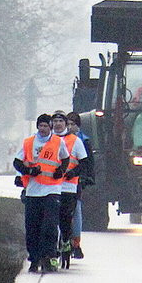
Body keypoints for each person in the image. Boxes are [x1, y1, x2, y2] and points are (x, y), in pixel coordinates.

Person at [13, 114, 70, 273]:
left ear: (50, 127)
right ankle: (34, 258)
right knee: (32, 227)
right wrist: (28, 171)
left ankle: (49, 256)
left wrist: (61, 171)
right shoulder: (29, 142)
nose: (43, 129)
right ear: (37, 127)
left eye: (46, 126)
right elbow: (17, 162)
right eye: (41, 126)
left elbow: (65, 159)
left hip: (52, 189)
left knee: (50, 226)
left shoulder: (58, 142)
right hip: (33, 190)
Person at [52, 110, 89, 265]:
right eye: (55, 121)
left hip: (69, 187)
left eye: (61, 121)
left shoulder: (77, 141)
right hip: (50, 188)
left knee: (67, 219)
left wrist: (74, 173)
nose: (58, 124)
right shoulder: (46, 140)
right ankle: (52, 251)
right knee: (50, 221)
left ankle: (69, 242)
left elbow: (85, 163)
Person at [67, 111, 93, 259]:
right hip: (59, 183)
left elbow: (88, 163)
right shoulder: (58, 140)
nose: (70, 127)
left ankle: (76, 243)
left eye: (73, 124)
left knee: (76, 211)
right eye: (68, 124)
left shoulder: (83, 141)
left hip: (75, 182)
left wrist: (86, 177)